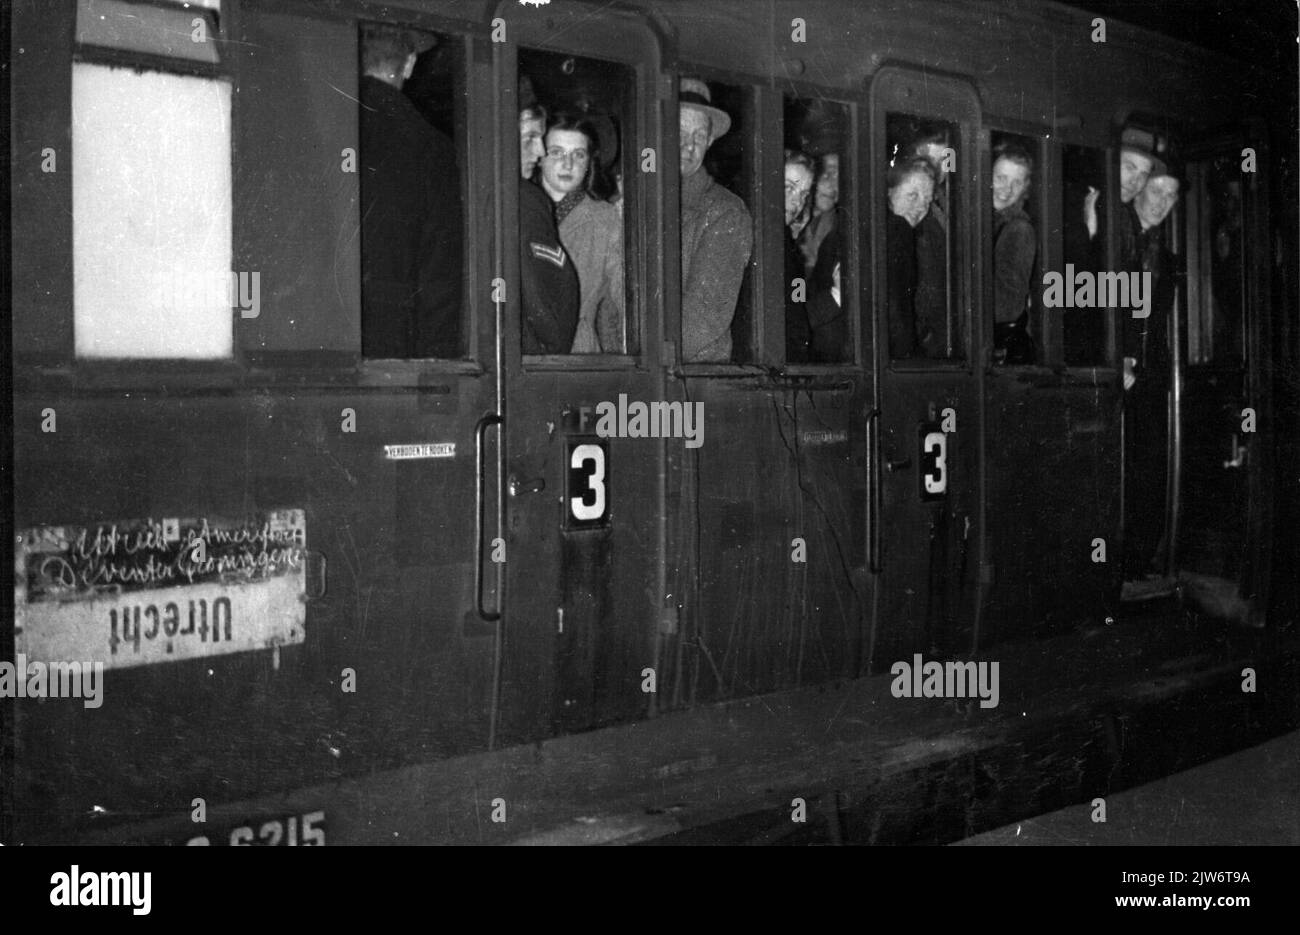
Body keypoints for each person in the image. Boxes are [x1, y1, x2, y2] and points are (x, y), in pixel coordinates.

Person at [359, 25, 462, 358]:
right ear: (409, 64)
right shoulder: (431, 147)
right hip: (394, 344)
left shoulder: (322, 125)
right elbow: (439, 274)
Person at [1121, 167, 1181, 586]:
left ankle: (1138, 559)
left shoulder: (1168, 257)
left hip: (1150, 371)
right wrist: (1121, 357)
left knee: (1147, 464)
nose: (1163, 203)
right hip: (1119, 367)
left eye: (1171, 197)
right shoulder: (1115, 236)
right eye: (1157, 191)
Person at [678, 77, 754, 363]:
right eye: (680, 131)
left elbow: (704, 315)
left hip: (691, 379)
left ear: (709, 142)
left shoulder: (725, 212)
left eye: (699, 136)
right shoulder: (633, 200)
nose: (689, 146)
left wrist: (641, 361)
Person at [537, 112, 625, 353]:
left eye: (578, 154)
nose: (568, 164)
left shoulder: (605, 219)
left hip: (578, 357)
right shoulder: (520, 209)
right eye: (556, 153)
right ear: (539, 156)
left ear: (589, 163)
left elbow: (624, 299)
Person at [518, 99, 579, 354]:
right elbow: (545, 304)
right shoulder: (525, 200)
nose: (540, 151)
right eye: (530, 136)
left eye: (579, 154)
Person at [905, 127, 953, 357]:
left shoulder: (947, 203)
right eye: (928, 158)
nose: (936, 167)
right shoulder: (911, 208)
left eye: (944, 159)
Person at [991, 143, 1037, 364]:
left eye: (1016, 182)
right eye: (1000, 178)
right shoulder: (988, 218)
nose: (1006, 189)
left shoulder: (1018, 229)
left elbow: (1006, 308)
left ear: (1025, 188)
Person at [886, 157, 936, 359]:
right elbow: (898, 313)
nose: (920, 207)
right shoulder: (898, 229)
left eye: (927, 200)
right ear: (889, 192)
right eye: (912, 195)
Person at [784, 150, 816, 362]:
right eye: (789, 188)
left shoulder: (787, 242)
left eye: (803, 194)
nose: (797, 202)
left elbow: (798, 299)